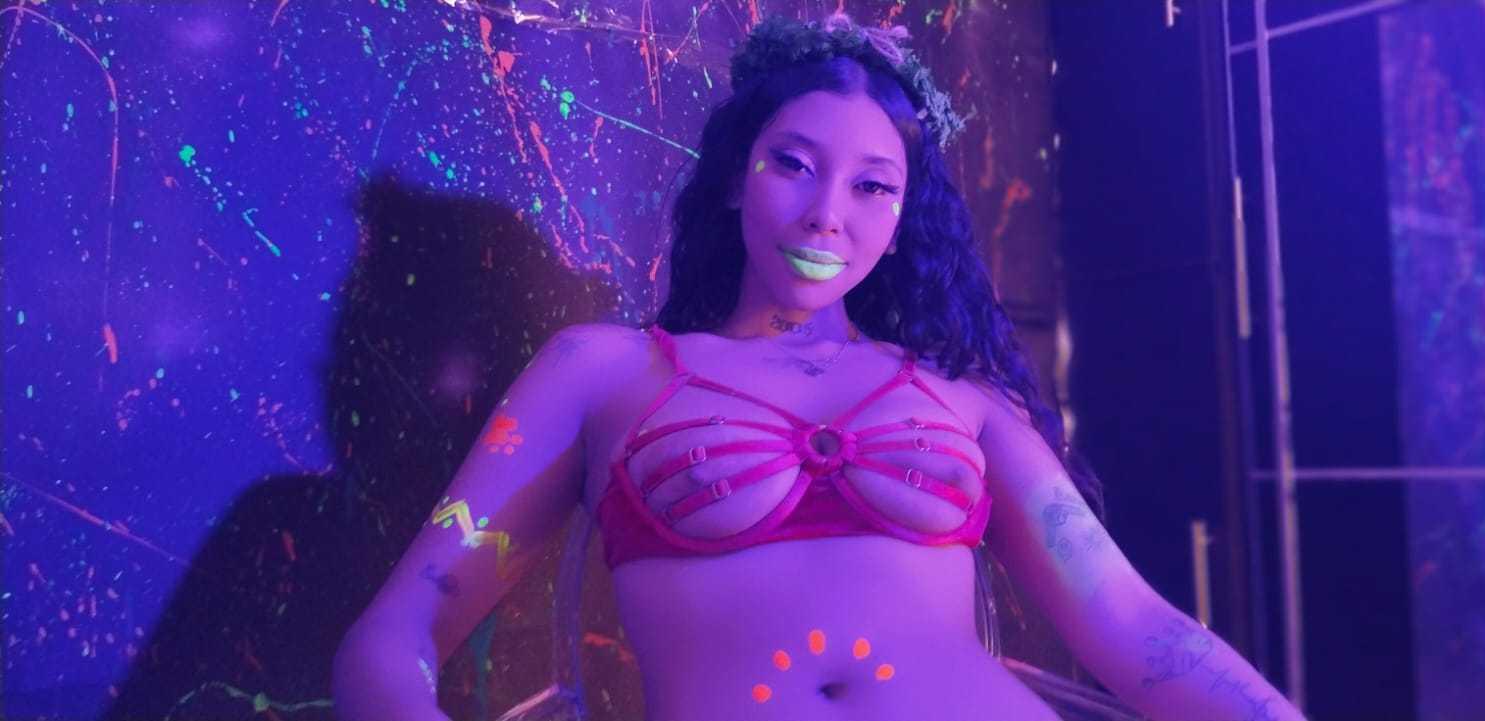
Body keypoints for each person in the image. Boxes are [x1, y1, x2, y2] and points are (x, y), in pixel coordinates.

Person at [332, 13, 1304, 721]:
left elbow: (1135, 626)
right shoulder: (602, 371)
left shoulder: (958, 395)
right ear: (733, 176)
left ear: (904, 217)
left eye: (872, 185)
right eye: (794, 164)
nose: (827, 214)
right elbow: (394, 635)